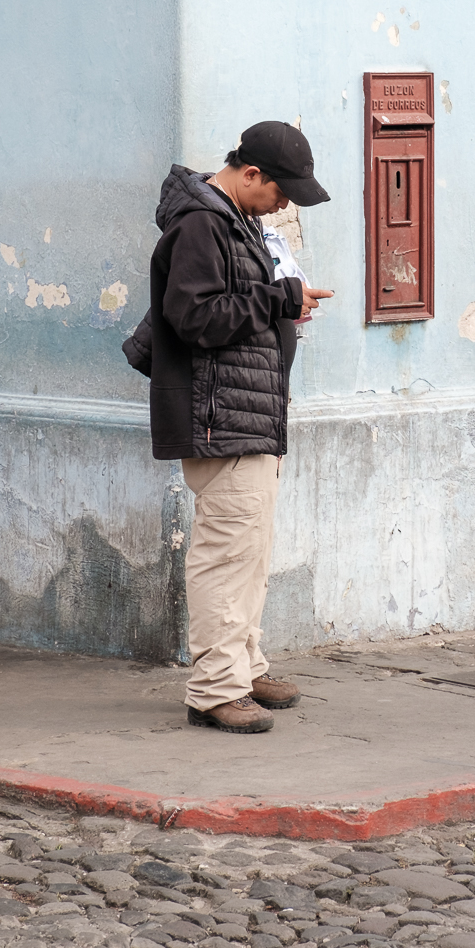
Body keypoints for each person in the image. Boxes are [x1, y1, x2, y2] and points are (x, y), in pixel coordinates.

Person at [133, 122, 334, 732]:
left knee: (250, 552)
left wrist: (280, 299)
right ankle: (216, 689)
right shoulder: (202, 224)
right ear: (250, 175)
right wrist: (278, 299)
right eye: (282, 191)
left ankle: (244, 668)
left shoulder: (235, 218)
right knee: (226, 556)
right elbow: (193, 315)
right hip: (222, 417)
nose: (286, 204)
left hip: (249, 413)